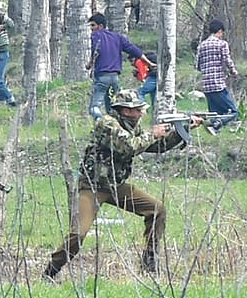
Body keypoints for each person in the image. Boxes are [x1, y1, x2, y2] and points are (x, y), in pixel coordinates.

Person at [42, 90, 202, 280]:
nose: (142, 113)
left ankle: (149, 260)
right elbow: (130, 147)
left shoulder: (133, 126)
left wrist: (182, 130)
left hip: (116, 186)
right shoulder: (107, 124)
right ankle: (51, 271)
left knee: (156, 209)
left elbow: (156, 147)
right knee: (78, 234)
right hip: (92, 187)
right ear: (125, 111)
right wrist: (153, 133)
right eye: (137, 110)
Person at [86, 12, 154, 121]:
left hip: (102, 76)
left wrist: (90, 64)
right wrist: (149, 63)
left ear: (101, 26)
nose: (91, 28)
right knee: (114, 107)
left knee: (94, 106)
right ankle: (118, 129)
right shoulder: (117, 37)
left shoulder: (95, 36)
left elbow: (95, 51)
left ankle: (100, 122)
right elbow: (134, 50)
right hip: (115, 78)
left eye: (93, 25)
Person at [195, 19, 239, 132]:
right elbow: (227, 60)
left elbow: (197, 65)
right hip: (218, 84)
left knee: (214, 113)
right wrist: (233, 72)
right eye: (222, 33)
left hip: (206, 85)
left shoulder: (201, 46)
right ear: (219, 31)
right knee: (233, 111)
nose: (222, 35)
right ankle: (221, 122)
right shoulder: (222, 44)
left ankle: (214, 131)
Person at [0, 12, 17, 107]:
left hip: (2, 50)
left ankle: (10, 100)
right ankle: (1, 101)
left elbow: (11, 24)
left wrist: (1, 27)